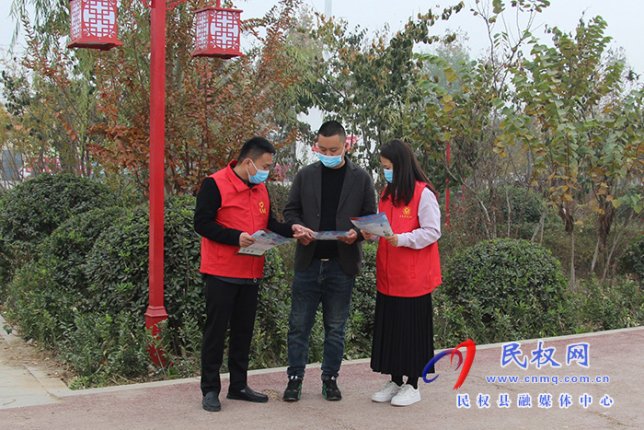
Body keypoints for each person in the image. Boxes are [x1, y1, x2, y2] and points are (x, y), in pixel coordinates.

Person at [194, 136, 311, 412]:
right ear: (248, 162)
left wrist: (292, 230)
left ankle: (238, 385)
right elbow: (202, 223)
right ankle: (210, 389)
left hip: (251, 272)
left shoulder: (260, 189)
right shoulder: (214, 184)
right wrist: (236, 237)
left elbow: (269, 224)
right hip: (221, 272)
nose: (267, 172)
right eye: (265, 166)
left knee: (243, 332)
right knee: (215, 332)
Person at [282, 120, 377, 402]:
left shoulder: (361, 178)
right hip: (308, 262)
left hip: (341, 264)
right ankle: (294, 379)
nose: (327, 154)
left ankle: (330, 379)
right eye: (321, 149)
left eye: (333, 150)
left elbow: (370, 218)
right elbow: (291, 211)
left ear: (345, 146)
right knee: (299, 325)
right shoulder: (305, 175)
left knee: (335, 327)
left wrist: (356, 233)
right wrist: (297, 228)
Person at [363, 139, 442, 407]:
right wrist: (371, 233)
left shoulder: (422, 193)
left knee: (411, 331)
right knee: (392, 329)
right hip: (389, 275)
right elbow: (385, 227)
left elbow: (432, 231)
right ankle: (395, 380)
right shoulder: (387, 193)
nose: (386, 172)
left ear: (402, 165)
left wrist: (403, 239)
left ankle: (413, 384)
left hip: (413, 277)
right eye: (383, 167)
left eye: (389, 167)